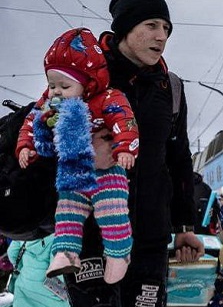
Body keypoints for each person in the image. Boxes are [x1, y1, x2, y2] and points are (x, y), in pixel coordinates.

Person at [64, 0, 204, 307]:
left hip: (147, 241)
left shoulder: (172, 87)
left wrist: (186, 225)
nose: (162, 35)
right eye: (150, 24)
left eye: (166, 26)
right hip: (88, 236)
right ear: (124, 28)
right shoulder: (83, 78)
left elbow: (178, 158)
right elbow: (45, 140)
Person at [17, 27, 139, 284]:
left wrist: (125, 149)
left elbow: (124, 121)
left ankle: (119, 254)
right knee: (67, 212)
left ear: (87, 83)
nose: (56, 91)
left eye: (64, 85)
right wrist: (26, 146)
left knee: (112, 210)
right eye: (51, 85)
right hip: (73, 171)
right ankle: (66, 253)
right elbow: (31, 121)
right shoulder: (50, 106)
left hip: (107, 173)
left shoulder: (107, 98)